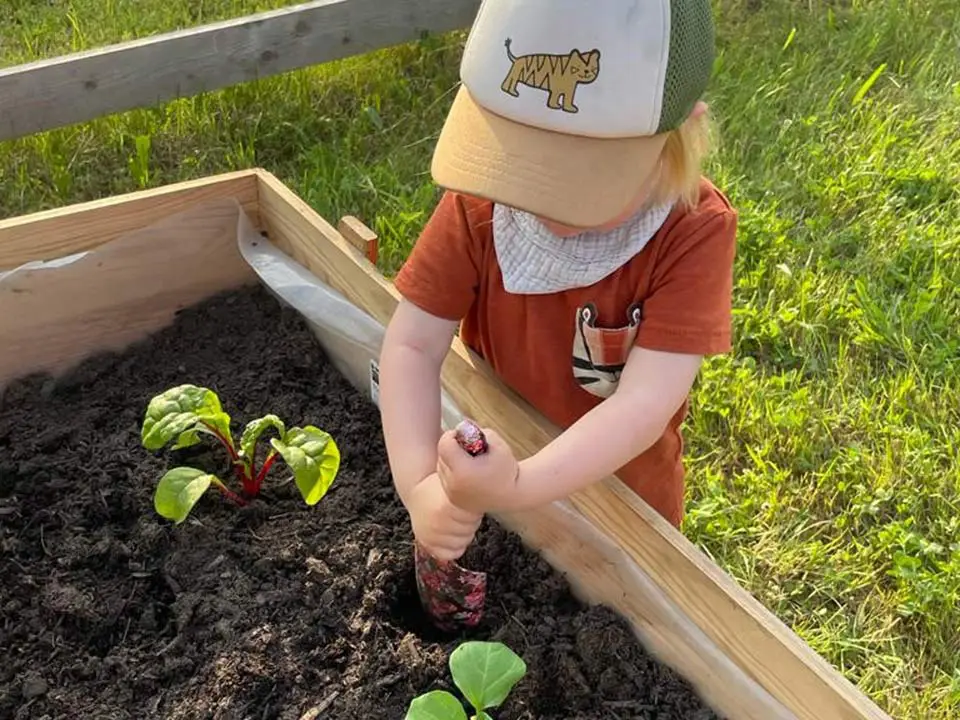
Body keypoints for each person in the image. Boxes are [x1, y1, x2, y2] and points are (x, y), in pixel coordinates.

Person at [378, 0, 737, 563]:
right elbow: (411, 344)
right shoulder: (482, 201)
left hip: (620, 495)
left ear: (679, 130)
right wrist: (420, 486)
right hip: (498, 449)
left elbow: (643, 406)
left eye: (576, 179)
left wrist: (519, 486)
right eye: (523, 164)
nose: (541, 206)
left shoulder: (692, 233)